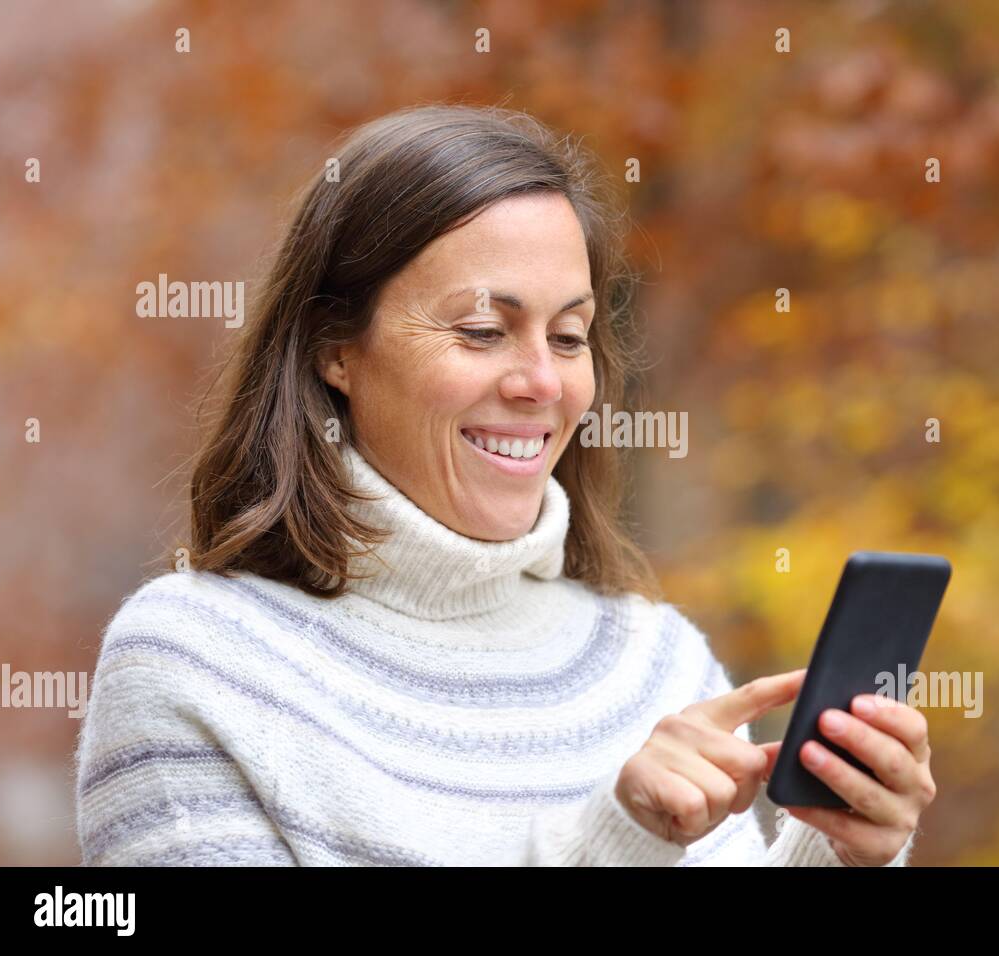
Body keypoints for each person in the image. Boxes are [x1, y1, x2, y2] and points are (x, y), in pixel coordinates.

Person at [75, 104, 934, 866]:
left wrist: (838, 852)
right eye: (484, 330)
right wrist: (617, 845)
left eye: (569, 337)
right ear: (335, 349)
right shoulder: (197, 664)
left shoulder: (656, 666)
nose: (543, 383)